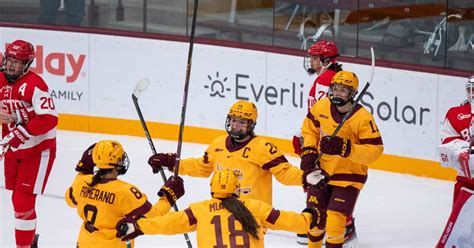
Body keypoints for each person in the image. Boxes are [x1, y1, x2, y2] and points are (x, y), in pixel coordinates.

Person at [148, 100, 320, 205]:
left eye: (242, 122)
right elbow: (201, 167)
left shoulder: (263, 147)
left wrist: (305, 177)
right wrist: (171, 162)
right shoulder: (218, 144)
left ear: (251, 125)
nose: (237, 126)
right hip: (223, 212)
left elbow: (285, 172)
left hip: (254, 216)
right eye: (234, 121)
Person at [116, 169, 322, 247]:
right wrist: (310, 216)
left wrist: (140, 226)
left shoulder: (200, 210)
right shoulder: (254, 207)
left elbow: (167, 224)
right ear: (237, 188)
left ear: (212, 188)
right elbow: (290, 221)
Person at [300, 71, 383, 247]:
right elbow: (309, 130)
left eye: (343, 90)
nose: (337, 93)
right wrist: (308, 152)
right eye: (335, 89)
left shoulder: (363, 118)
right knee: (315, 220)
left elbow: (375, 151)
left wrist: (346, 148)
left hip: (349, 176)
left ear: (352, 93)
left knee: (335, 222)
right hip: (321, 172)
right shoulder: (321, 106)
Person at [65, 140, 185, 248]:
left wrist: (83, 170)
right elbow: (153, 218)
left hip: (84, 244)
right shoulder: (125, 192)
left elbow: (69, 200)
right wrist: (169, 196)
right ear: (118, 161)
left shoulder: (82, 182)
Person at [0, 39, 58, 248]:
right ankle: (29, 239)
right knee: (17, 201)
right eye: (9, 60)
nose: (11, 65)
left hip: (37, 150)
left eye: (17, 62)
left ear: (26, 64)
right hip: (13, 151)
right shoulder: (0, 78)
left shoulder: (36, 84)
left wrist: (16, 129)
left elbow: (49, 118)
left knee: (23, 202)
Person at [436, 75, 474, 248]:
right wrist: (463, 151)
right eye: (470, 89)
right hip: (465, 182)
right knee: (459, 229)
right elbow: (447, 142)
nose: (472, 93)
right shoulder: (455, 113)